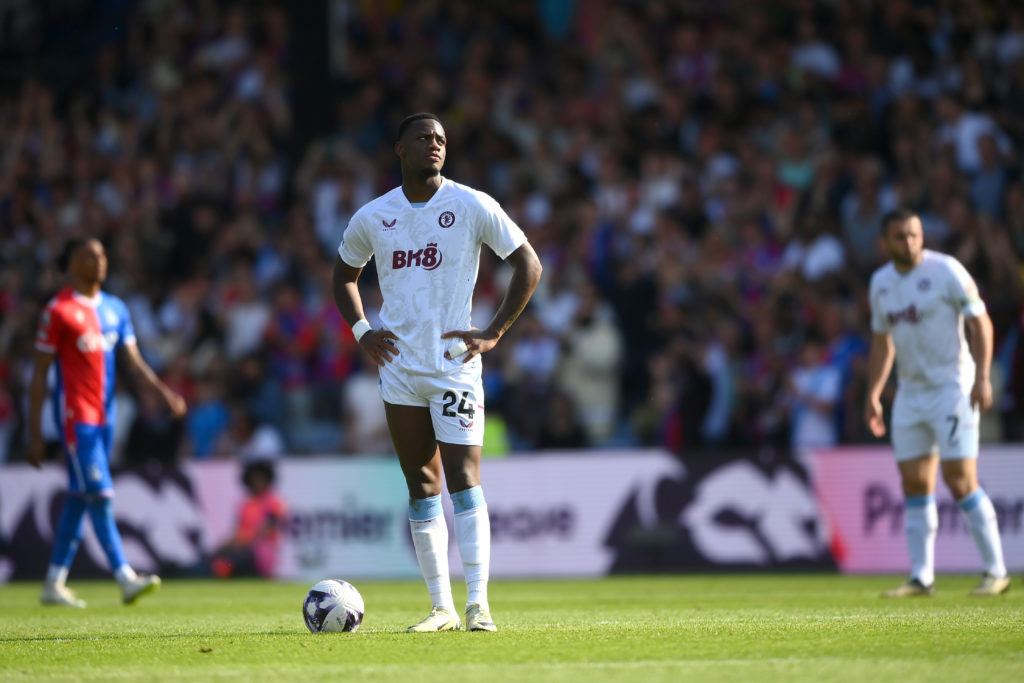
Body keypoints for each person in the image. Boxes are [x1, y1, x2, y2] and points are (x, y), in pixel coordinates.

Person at [332, 113, 542, 632]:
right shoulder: (374, 216)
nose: (435, 145)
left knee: (465, 481)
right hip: (400, 369)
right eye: (424, 138)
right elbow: (343, 276)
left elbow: (529, 264)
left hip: (454, 367)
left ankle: (479, 606)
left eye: (442, 140)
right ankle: (440, 608)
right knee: (421, 484)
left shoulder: (471, 203)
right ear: (400, 148)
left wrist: (493, 332)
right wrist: (362, 332)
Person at [28, 238, 187, 607]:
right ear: (71, 264)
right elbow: (39, 377)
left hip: (106, 416)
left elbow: (134, 361)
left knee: (79, 498)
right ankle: (125, 576)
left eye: (102, 254)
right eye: (89, 255)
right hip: (75, 417)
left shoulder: (115, 308)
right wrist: (35, 433)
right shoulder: (58, 310)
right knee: (99, 495)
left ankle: (53, 582)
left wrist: (164, 393)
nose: (99, 261)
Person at [865, 209, 1009, 598]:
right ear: (885, 243)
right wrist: (874, 394)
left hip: (951, 387)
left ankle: (996, 571)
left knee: (960, 481)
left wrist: (981, 377)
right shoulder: (880, 284)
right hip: (910, 394)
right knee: (914, 483)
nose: (909, 243)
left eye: (914, 235)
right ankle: (921, 577)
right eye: (900, 237)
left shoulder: (947, 271)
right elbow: (883, 342)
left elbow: (981, 322)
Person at [211, 459, 288, 579]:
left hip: (261, 553)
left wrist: (240, 543)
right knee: (216, 558)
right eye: (254, 479)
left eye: (261, 479)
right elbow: (238, 531)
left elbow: (265, 531)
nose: (257, 482)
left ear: (268, 480)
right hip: (242, 549)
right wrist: (224, 546)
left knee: (228, 563)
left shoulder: (274, 502)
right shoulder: (245, 504)